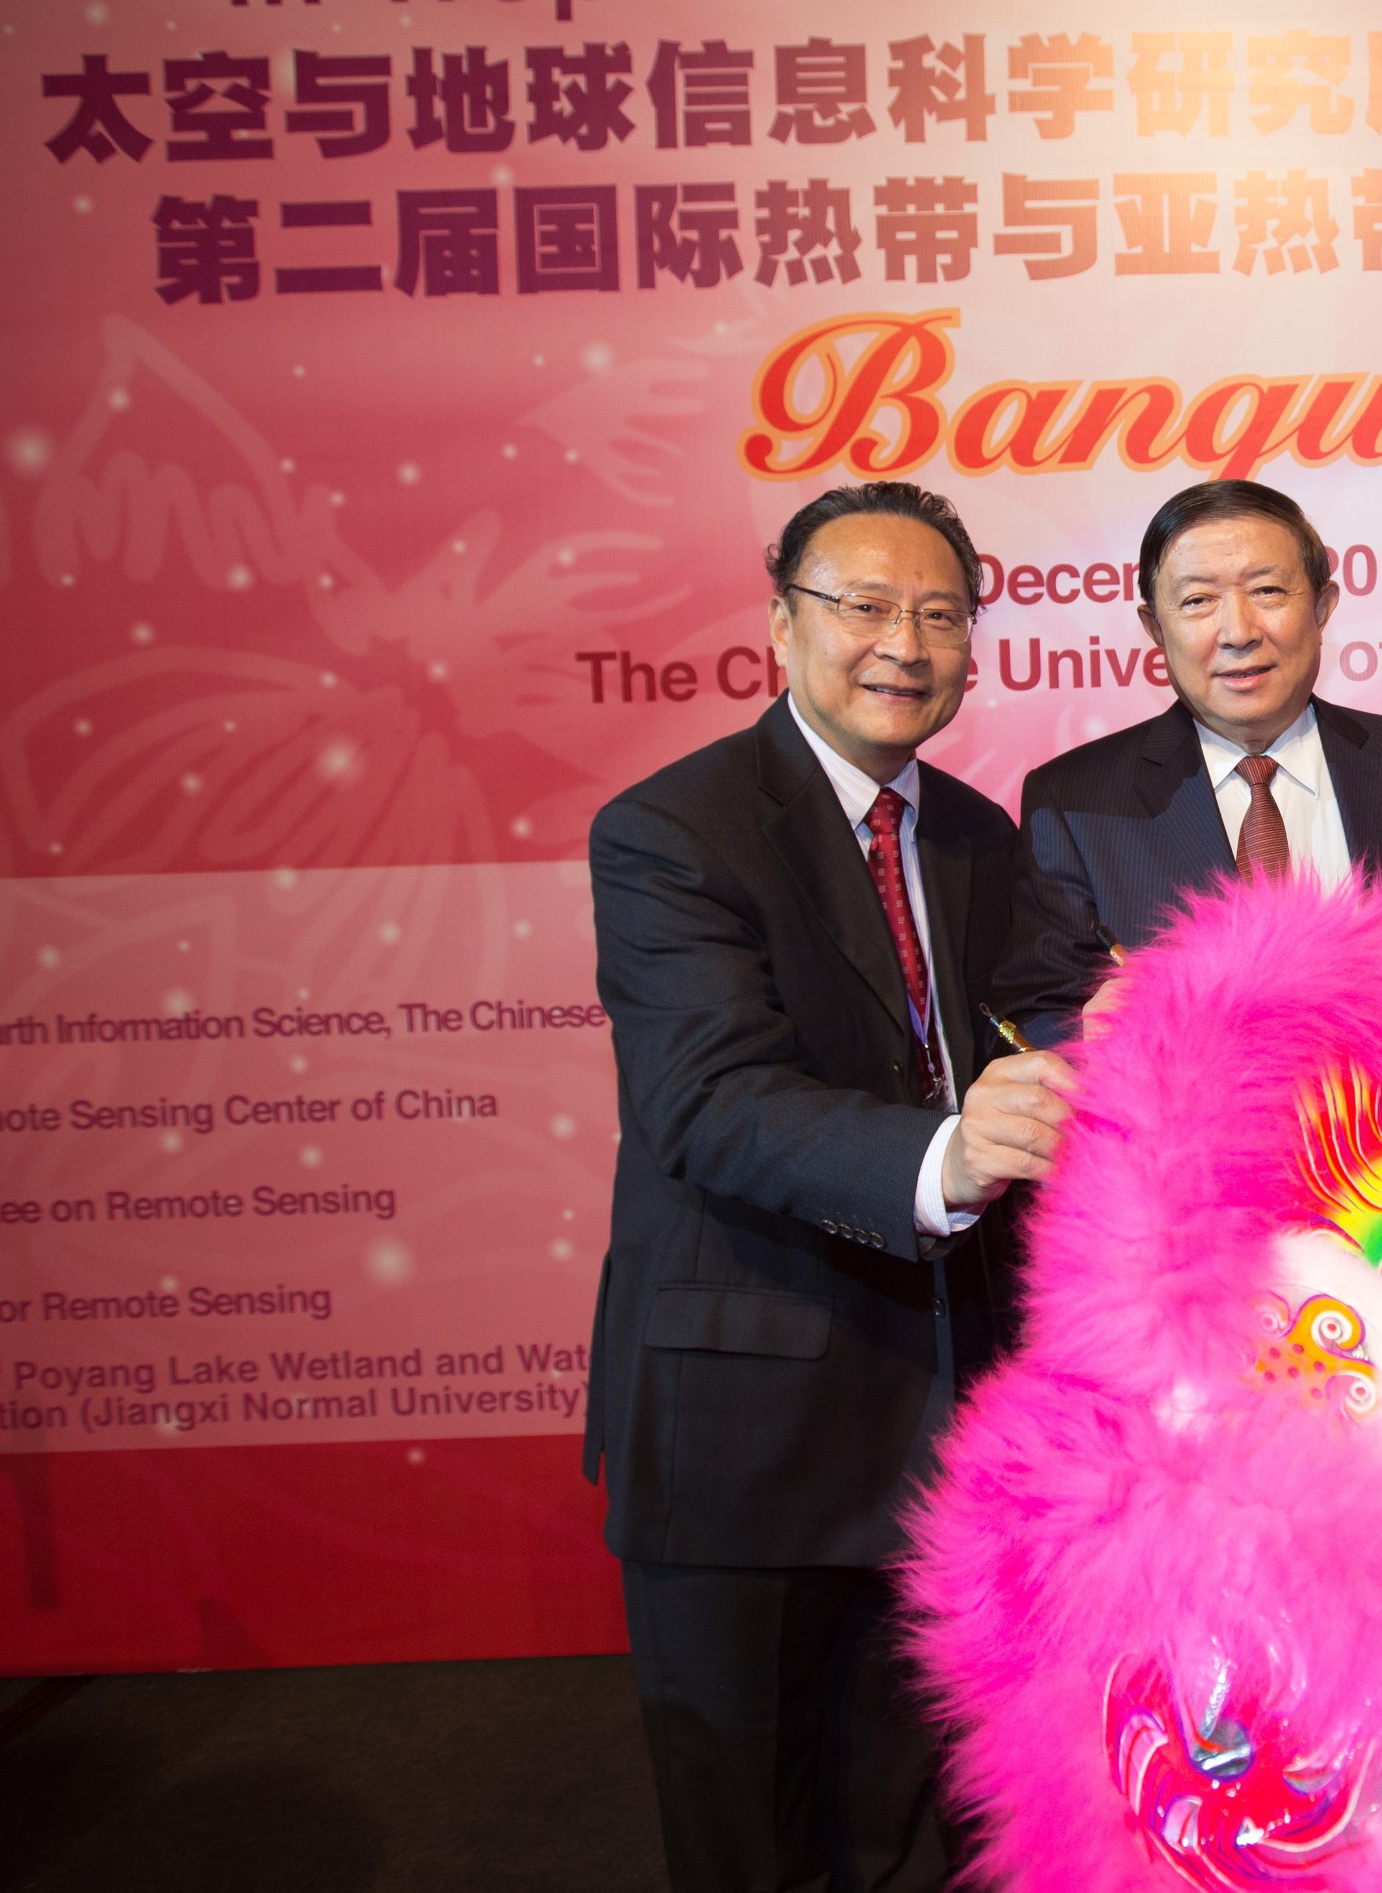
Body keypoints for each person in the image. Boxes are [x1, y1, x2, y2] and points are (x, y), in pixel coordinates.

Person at [585, 481, 1077, 1893]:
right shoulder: (673, 828)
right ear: (781, 623)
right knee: (749, 1828)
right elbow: (704, 1100)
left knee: (913, 1832)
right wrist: (950, 1154)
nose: (902, 644)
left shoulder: (985, 834)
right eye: (862, 606)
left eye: (937, 614)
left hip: (944, 1430)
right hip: (744, 1424)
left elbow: (1044, 1024)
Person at [991, 479, 1382, 1041]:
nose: (1239, 632)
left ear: (1322, 607)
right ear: (1155, 629)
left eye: (1267, 591)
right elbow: (1037, 1021)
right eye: (1197, 601)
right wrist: (1108, 1039)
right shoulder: (1072, 801)